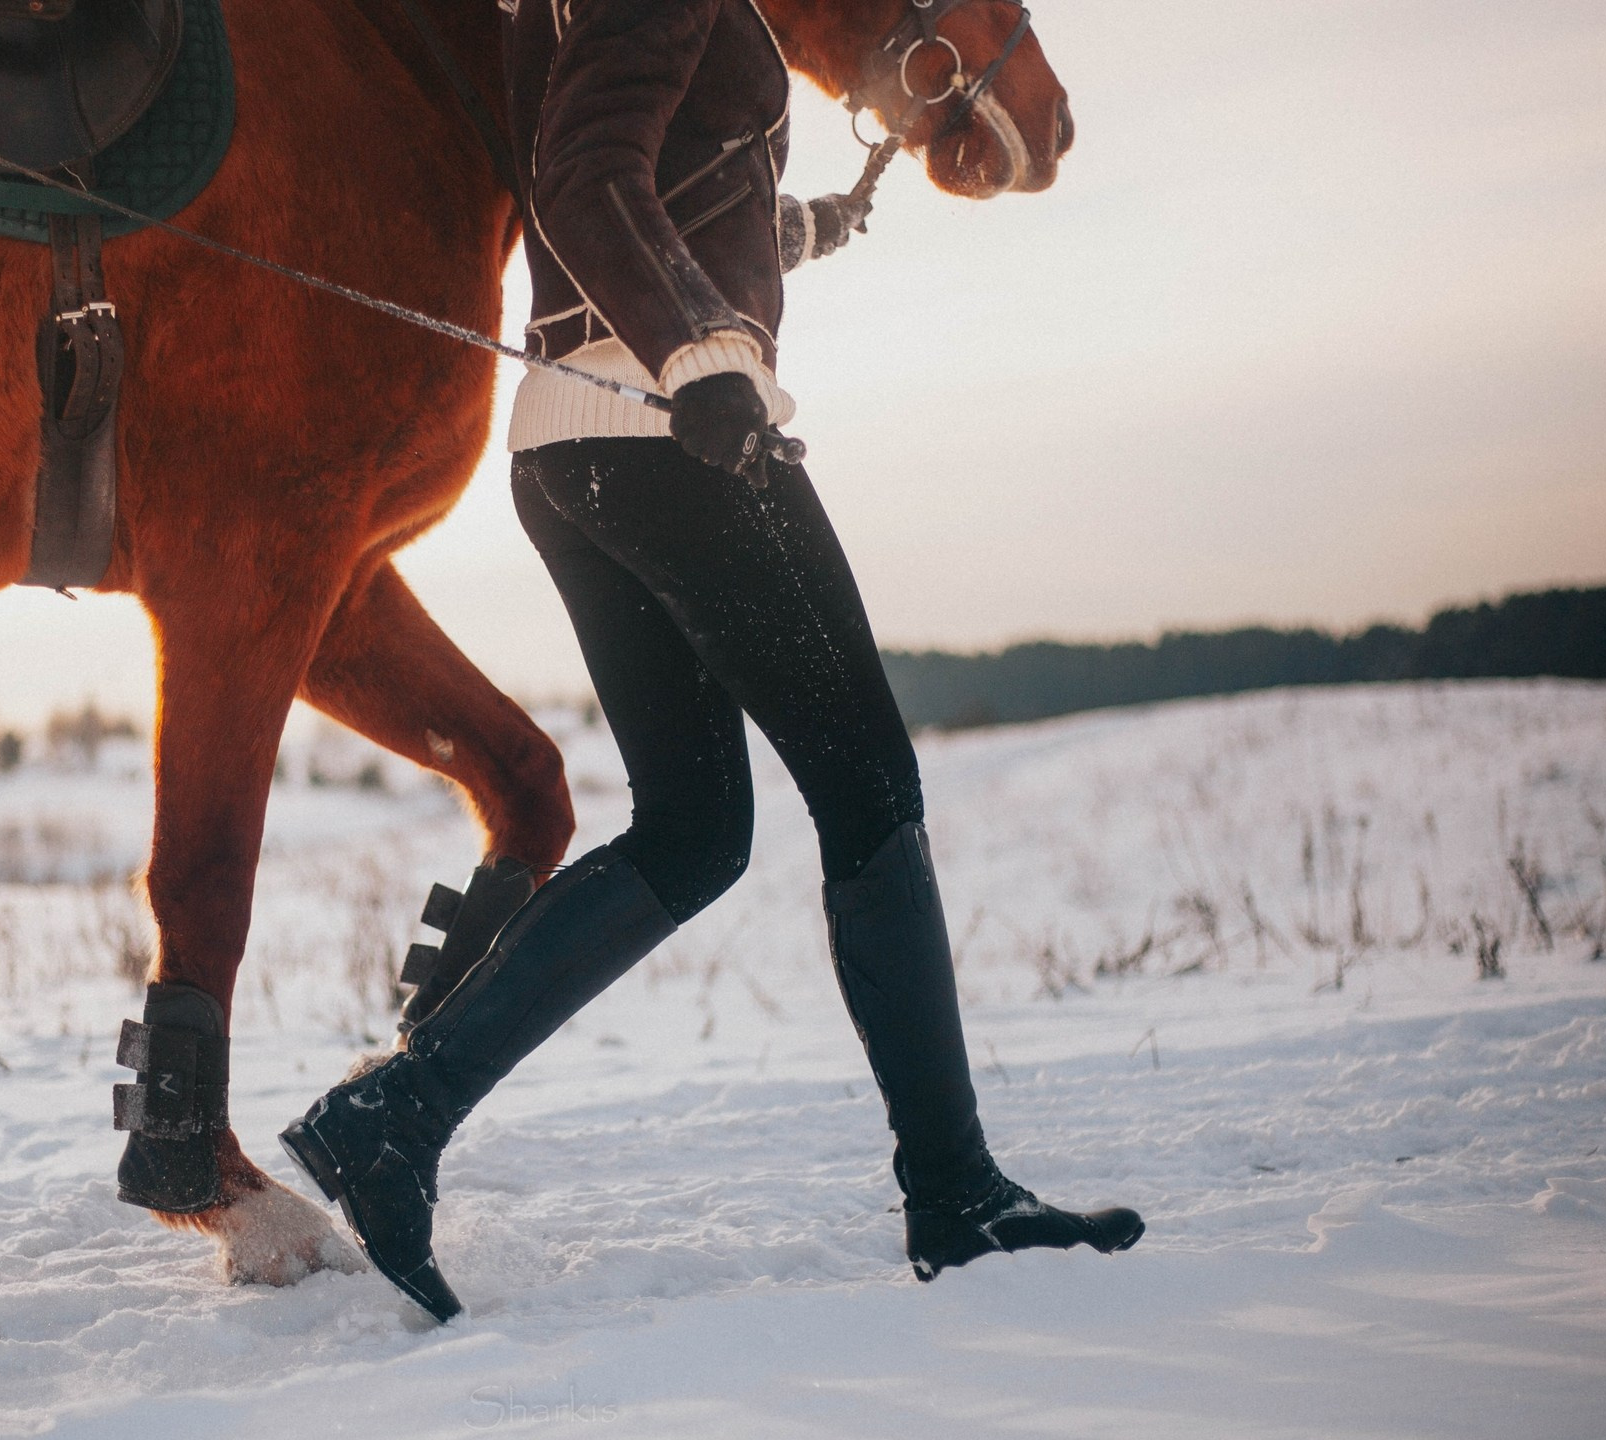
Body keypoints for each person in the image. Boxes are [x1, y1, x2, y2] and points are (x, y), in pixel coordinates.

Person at [281, 0, 1141, 1321]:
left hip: (571, 447)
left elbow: (631, 163)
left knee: (695, 831)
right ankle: (956, 1193)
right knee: (870, 789)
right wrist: (697, 342)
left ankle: (393, 1120)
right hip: (664, 435)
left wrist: (791, 232)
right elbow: (581, 174)